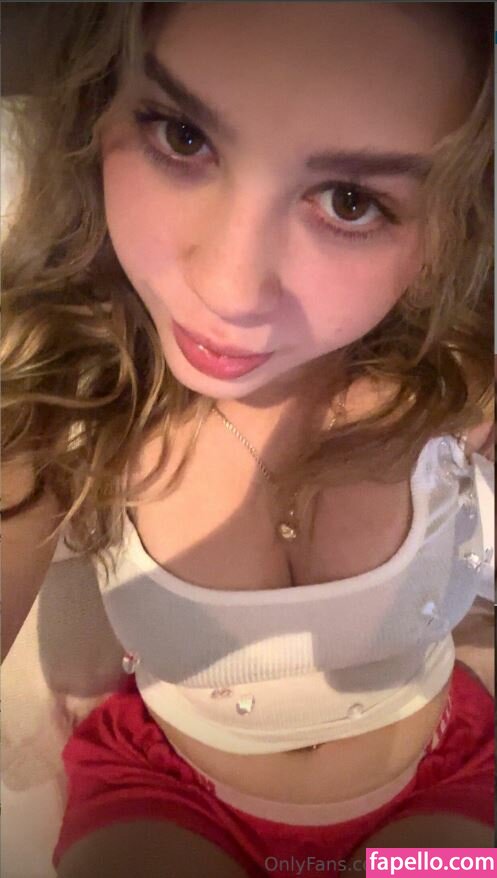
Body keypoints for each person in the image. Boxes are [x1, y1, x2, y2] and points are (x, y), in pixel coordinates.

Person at [1, 2, 494, 876]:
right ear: (97, 113)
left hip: (444, 780)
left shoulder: (458, 382)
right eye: (183, 136)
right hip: (166, 795)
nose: (228, 292)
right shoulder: (61, 389)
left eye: (350, 201)